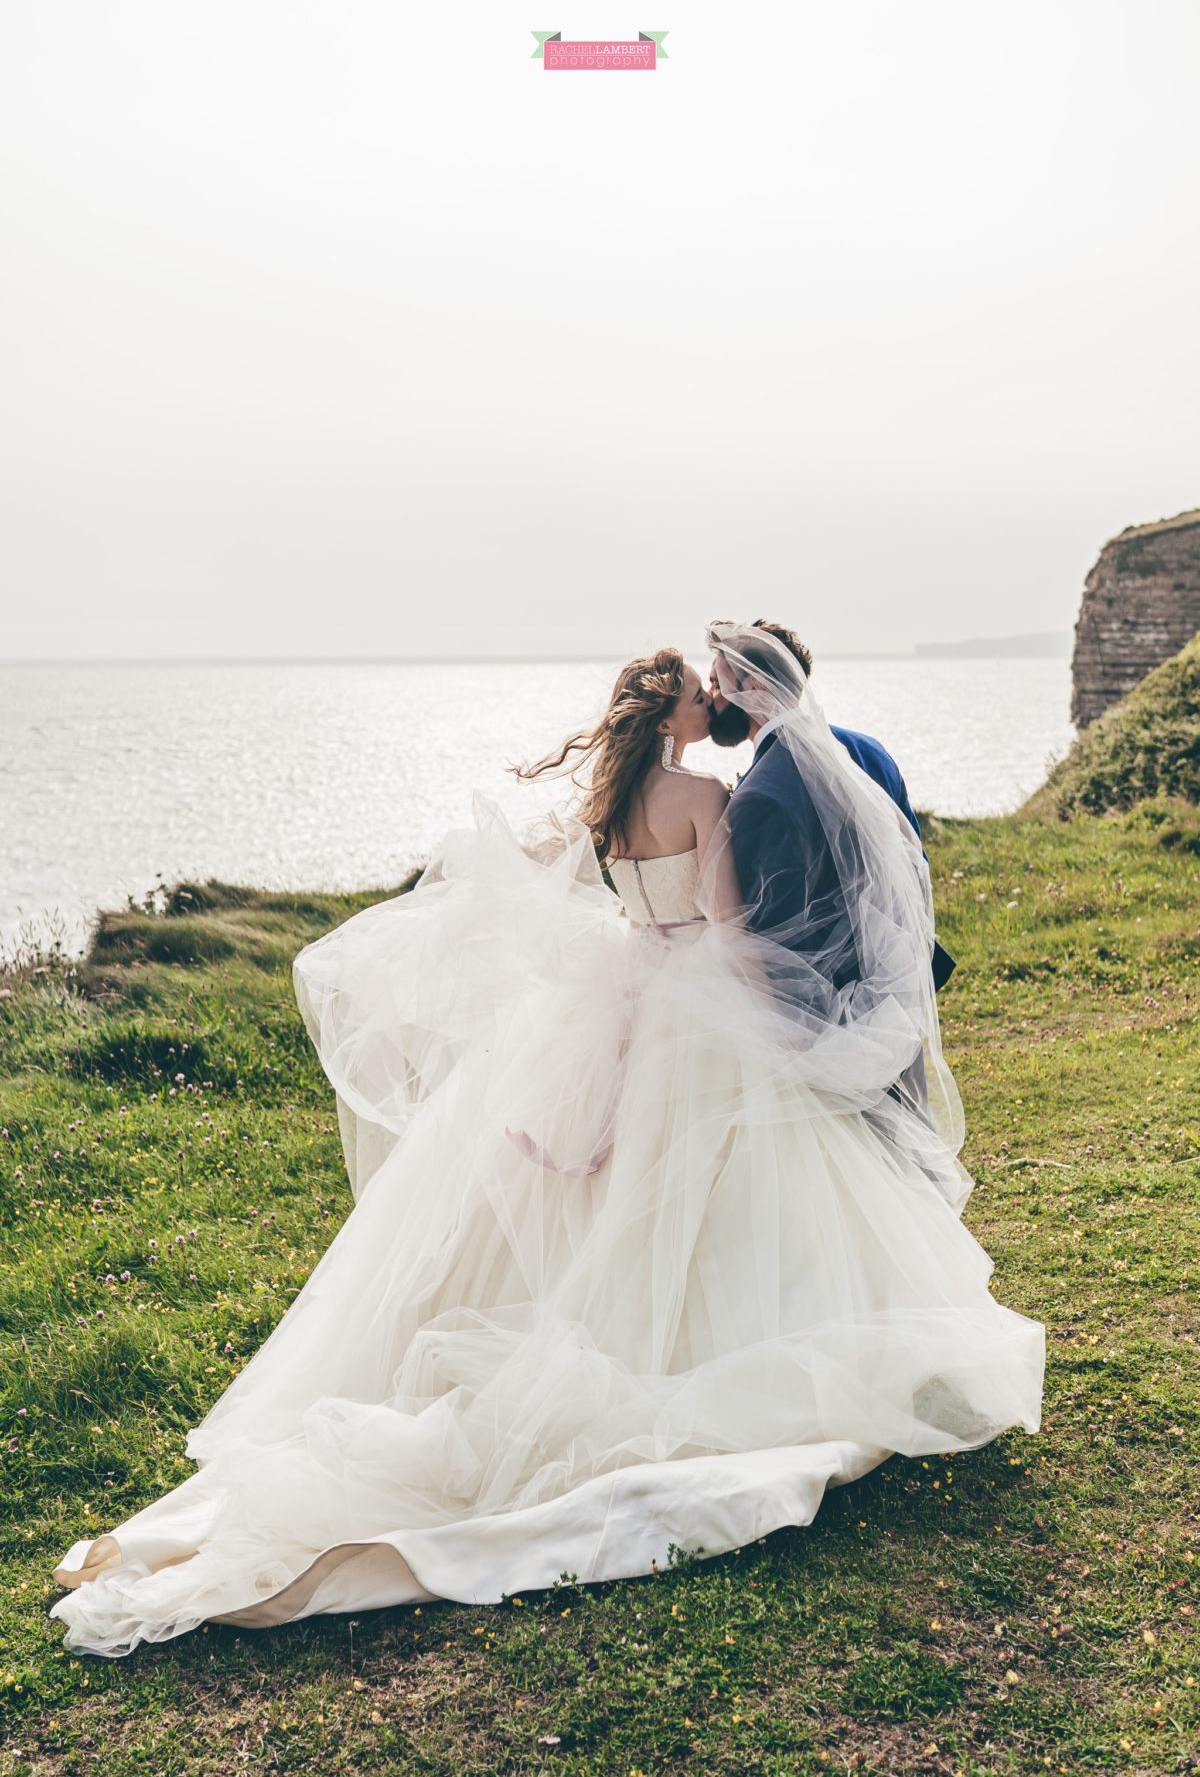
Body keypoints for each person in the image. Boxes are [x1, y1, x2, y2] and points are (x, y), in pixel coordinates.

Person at [49, 630, 1044, 1658]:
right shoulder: (709, 801)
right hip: (695, 1007)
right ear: (677, 715)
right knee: (718, 1185)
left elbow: (623, 914)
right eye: (702, 692)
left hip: (620, 998)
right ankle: (719, 1344)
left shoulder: (607, 811)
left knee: (599, 1202)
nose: (713, 698)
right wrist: (784, 1027)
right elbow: (726, 926)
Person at [707, 619, 955, 991]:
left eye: (716, 682)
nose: (711, 697)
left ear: (754, 687)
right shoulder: (870, 751)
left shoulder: (758, 795)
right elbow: (914, 862)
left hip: (828, 1013)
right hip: (897, 983)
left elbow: (777, 934)